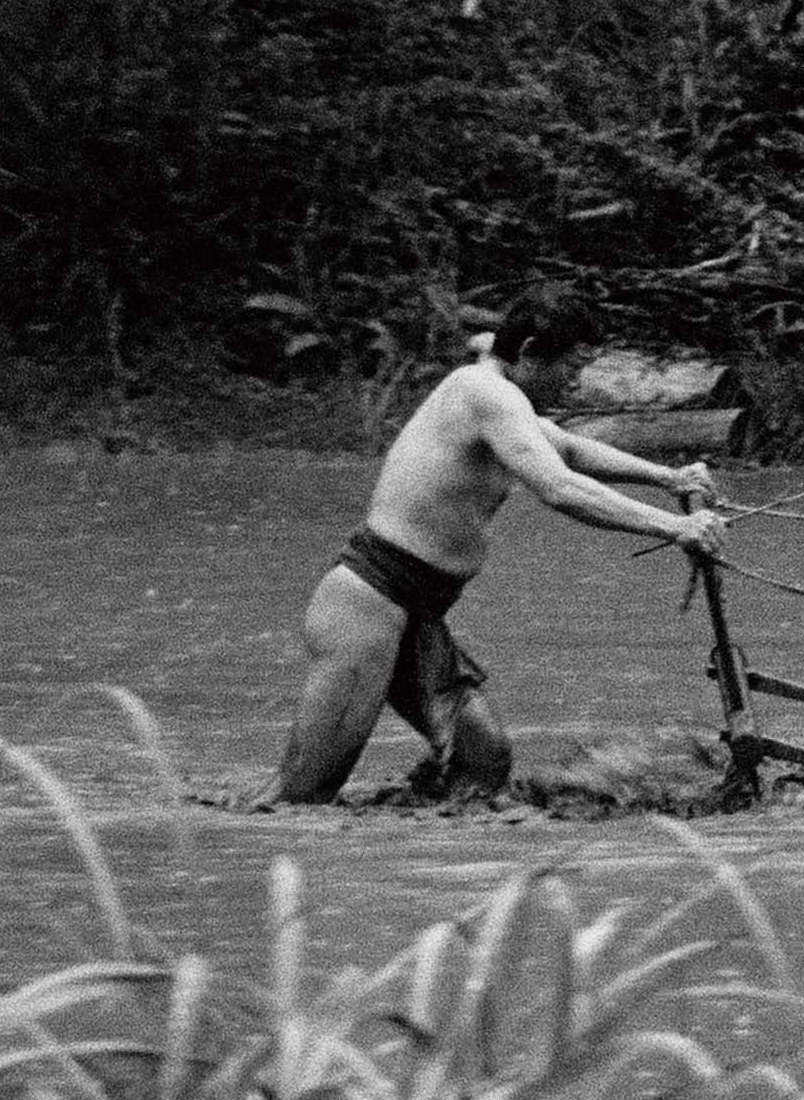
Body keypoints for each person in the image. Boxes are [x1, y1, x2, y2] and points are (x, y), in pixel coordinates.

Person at [255, 285, 724, 805]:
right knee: (301, 798)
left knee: (483, 761)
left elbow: (566, 449)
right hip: (368, 606)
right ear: (528, 353)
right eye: (568, 366)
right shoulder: (485, 393)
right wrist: (674, 526)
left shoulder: (504, 398)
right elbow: (559, 487)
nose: (573, 381)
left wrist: (670, 477)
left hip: (416, 614)